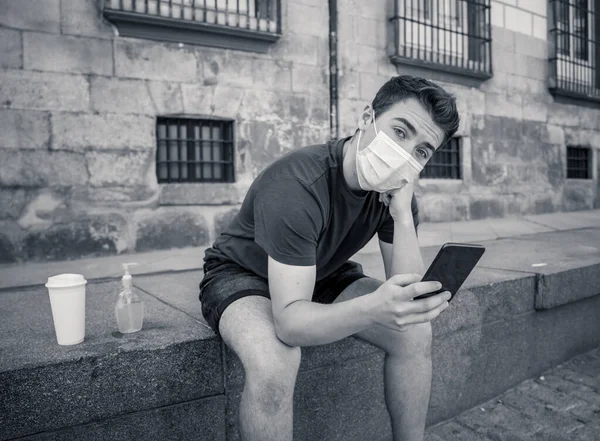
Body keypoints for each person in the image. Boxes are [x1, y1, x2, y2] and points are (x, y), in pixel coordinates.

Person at [199, 75, 460, 441]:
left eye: (421, 151)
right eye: (400, 132)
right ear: (367, 118)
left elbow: (406, 291)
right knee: (276, 361)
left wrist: (401, 215)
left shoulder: (394, 192)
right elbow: (291, 324)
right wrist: (372, 308)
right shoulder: (298, 182)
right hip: (242, 273)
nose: (405, 154)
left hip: (323, 270)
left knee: (414, 331)